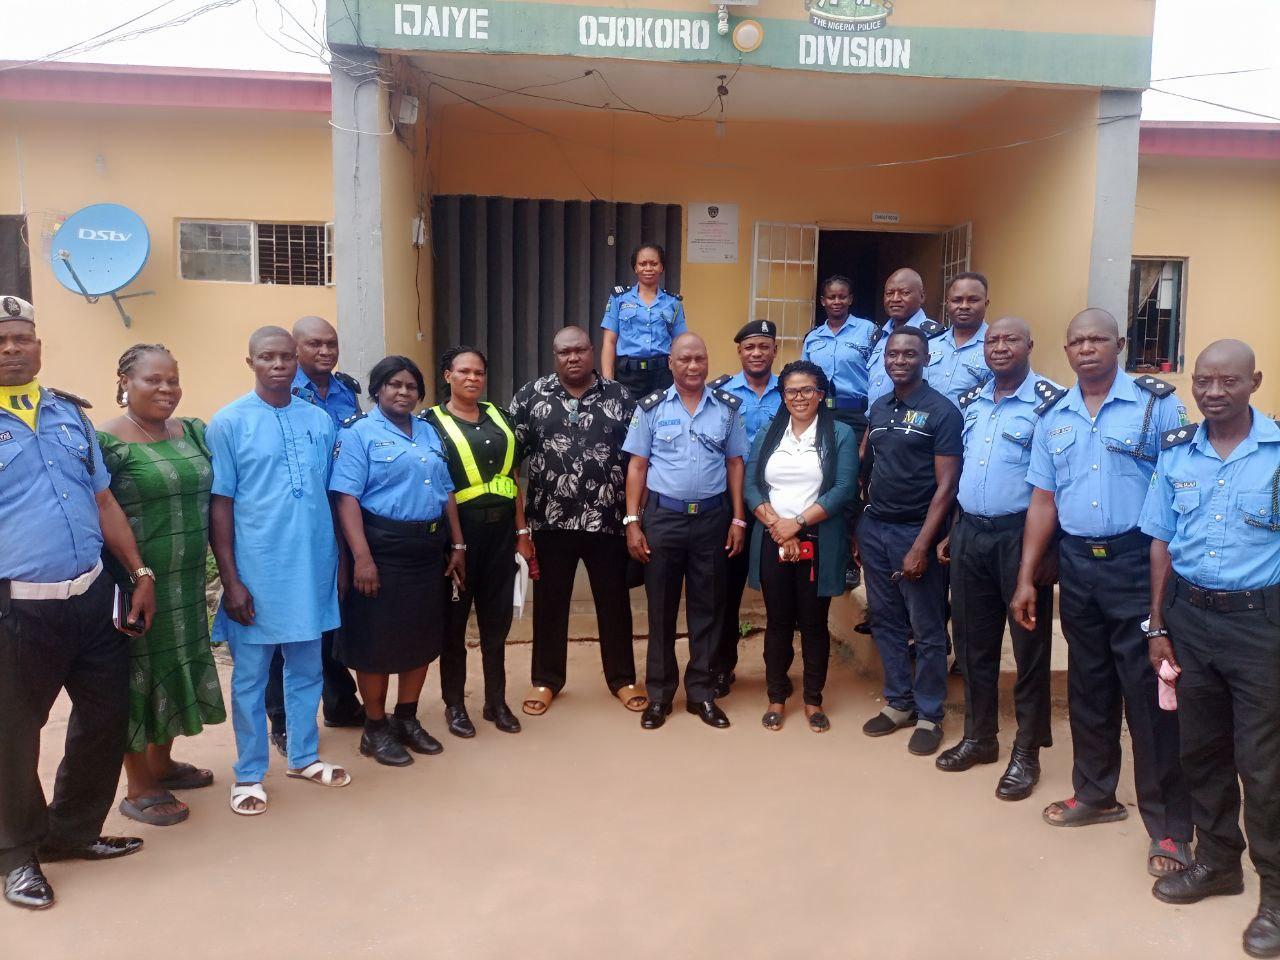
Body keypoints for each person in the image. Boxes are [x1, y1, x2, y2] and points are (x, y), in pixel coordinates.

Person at [1011, 307, 1191, 877]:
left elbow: (1184, 485)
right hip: (1078, 567)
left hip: (1140, 562)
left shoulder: (1156, 404)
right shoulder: (1053, 415)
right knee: (1089, 686)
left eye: (1097, 339)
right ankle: (1095, 794)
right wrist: (1026, 576)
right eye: (1077, 341)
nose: (1087, 348)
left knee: (1149, 697)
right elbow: (1043, 500)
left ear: (1120, 344)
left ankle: (1169, 828)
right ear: (1065, 351)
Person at [0, 295, 153, 911]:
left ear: (38, 345)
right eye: (2, 340)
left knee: (103, 720)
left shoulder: (67, 414)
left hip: (93, 595)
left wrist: (138, 570)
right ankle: (17, 854)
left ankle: (72, 833)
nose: (13, 349)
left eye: (23, 338)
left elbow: (103, 503)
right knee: (12, 735)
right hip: (18, 609)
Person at [1141, 340, 1280, 958]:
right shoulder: (1177, 454)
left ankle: (1274, 897)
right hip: (1190, 619)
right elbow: (1162, 543)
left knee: (1264, 766)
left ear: (1254, 381)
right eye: (1203, 381)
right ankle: (1220, 863)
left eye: (1228, 381)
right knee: (1202, 751)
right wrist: (1157, 625)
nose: (1214, 392)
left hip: (1260, 628)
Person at [208, 326, 351, 816]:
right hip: (257, 570)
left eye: (286, 356)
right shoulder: (227, 423)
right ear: (250, 362)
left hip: (311, 566)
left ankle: (304, 756)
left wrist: (340, 564)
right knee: (250, 675)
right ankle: (249, 773)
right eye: (267, 357)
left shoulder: (318, 420)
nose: (279, 365)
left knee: (308, 667)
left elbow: (332, 498)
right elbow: (220, 506)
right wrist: (231, 581)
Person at [97, 344, 226, 827]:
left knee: (175, 664)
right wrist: (135, 575)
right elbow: (98, 509)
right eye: (154, 380)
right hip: (137, 583)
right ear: (124, 381)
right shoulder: (105, 441)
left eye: (173, 380)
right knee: (137, 673)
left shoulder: (190, 430)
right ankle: (138, 786)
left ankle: (161, 764)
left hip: (186, 582)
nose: (167, 389)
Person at [934, 318, 1056, 799]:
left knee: (1028, 651)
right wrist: (952, 531)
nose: (999, 347)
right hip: (971, 533)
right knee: (971, 645)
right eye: (992, 341)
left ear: (1030, 345)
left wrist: (1051, 551)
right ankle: (980, 737)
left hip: (1021, 538)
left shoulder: (1050, 403)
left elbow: (1058, 484)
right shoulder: (973, 401)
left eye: (1010, 339)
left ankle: (1027, 751)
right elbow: (962, 471)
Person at [330, 356, 465, 766]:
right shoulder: (359, 434)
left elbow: (446, 493)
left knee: (420, 639)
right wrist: (362, 558)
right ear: (377, 390)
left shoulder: (428, 432)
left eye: (410, 386)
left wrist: (458, 546)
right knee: (376, 643)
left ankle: (406, 718)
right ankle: (374, 727)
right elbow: (346, 497)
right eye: (394, 385)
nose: (403, 392)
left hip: (426, 551)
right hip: (381, 550)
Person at [508, 326, 646, 717]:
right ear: (555, 356)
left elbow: (640, 461)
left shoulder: (621, 398)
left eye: (581, 350)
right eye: (565, 352)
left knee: (614, 602)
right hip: (551, 523)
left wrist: (636, 516)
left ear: (591, 351)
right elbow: (511, 465)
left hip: (608, 521)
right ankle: (546, 680)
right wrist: (520, 528)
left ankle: (622, 679)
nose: (574, 358)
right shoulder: (530, 398)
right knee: (551, 604)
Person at [623, 332, 748, 730]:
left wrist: (738, 518)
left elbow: (735, 465)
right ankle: (659, 696)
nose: (693, 366)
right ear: (671, 364)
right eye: (685, 360)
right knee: (660, 610)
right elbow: (638, 466)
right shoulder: (652, 408)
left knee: (707, 609)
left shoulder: (727, 409)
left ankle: (701, 694)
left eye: (700, 358)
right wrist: (632, 521)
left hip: (712, 519)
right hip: (664, 519)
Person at [856, 327, 962, 756]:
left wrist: (923, 543)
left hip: (915, 531)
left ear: (926, 358)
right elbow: (868, 468)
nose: (899, 360)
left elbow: (947, 487)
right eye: (893, 354)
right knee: (885, 620)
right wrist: (860, 528)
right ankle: (899, 702)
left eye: (909, 354)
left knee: (927, 627)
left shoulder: (942, 412)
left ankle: (930, 713)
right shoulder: (880, 408)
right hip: (876, 528)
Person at [264, 315, 364, 756]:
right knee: (285, 625)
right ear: (295, 348)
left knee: (333, 618)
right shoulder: (282, 394)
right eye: (314, 345)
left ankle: (339, 703)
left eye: (331, 344)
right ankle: (282, 721)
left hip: (341, 515)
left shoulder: (347, 391)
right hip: (294, 521)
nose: (325, 352)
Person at [744, 361, 857, 732]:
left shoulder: (838, 433)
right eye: (791, 391)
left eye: (807, 390)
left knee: (813, 624)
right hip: (774, 538)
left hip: (818, 543)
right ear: (782, 396)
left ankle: (813, 699)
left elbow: (843, 489)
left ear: (821, 394)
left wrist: (798, 523)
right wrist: (779, 526)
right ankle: (777, 696)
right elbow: (751, 487)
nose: (799, 397)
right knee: (777, 623)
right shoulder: (769, 433)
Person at [424, 346, 531, 737]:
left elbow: (513, 478)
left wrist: (522, 532)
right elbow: (436, 484)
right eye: (464, 371)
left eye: (480, 372)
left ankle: (495, 702)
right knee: (454, 626)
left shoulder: (501, 417)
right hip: (458, 537)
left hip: (501, 535)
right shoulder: (429, 423)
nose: (473, 378)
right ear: (447, 375)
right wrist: (456, 544)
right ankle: (455, 705)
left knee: (496, 623)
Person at [709, 319, 783, 698]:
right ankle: (722, 668)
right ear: (739, 352)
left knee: (779, 591)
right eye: (749, 347)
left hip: (778, 505)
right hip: (732, 502)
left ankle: (778, 673)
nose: (757, 353)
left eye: (764, 347)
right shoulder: (719, 393)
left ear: (774, 351)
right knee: (725, 590)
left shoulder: (789, 392)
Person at [600, 242, 687, 402]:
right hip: (628, 376)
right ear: (635, 268)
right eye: (643, 264)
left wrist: (682, 380)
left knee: (663, 423)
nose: (648, 268)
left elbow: (681, 344)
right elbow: (609, 342)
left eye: (654, 264)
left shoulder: (673, 302)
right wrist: (608, 383)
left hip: (663, 375)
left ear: (661, 267)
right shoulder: (619, 298)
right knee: (628, 423)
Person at [802, 275, 879, 442]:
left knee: (852, 464)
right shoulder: (813, 337)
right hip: (819, 412)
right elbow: (804, 377)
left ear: (850, 299)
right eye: (831, 297)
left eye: (842, 297)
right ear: (823, 301)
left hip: (857, 415)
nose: (837, 301)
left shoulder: (868, 330)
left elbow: (879, 372)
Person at [866, 268, 941, 407]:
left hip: (912, 422)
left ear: (922, 296)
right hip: (876, 420)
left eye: (904, 293)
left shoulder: (936, 337)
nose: (895, 299)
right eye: (889, 293)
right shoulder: (879, 337)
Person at [927, 272, 993, 408]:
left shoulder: (997, 347)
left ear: (986, 304)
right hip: (925, 426)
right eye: (957, 300)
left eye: (973, 300)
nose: (964, 306)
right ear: (947, 304)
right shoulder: (929, 344)